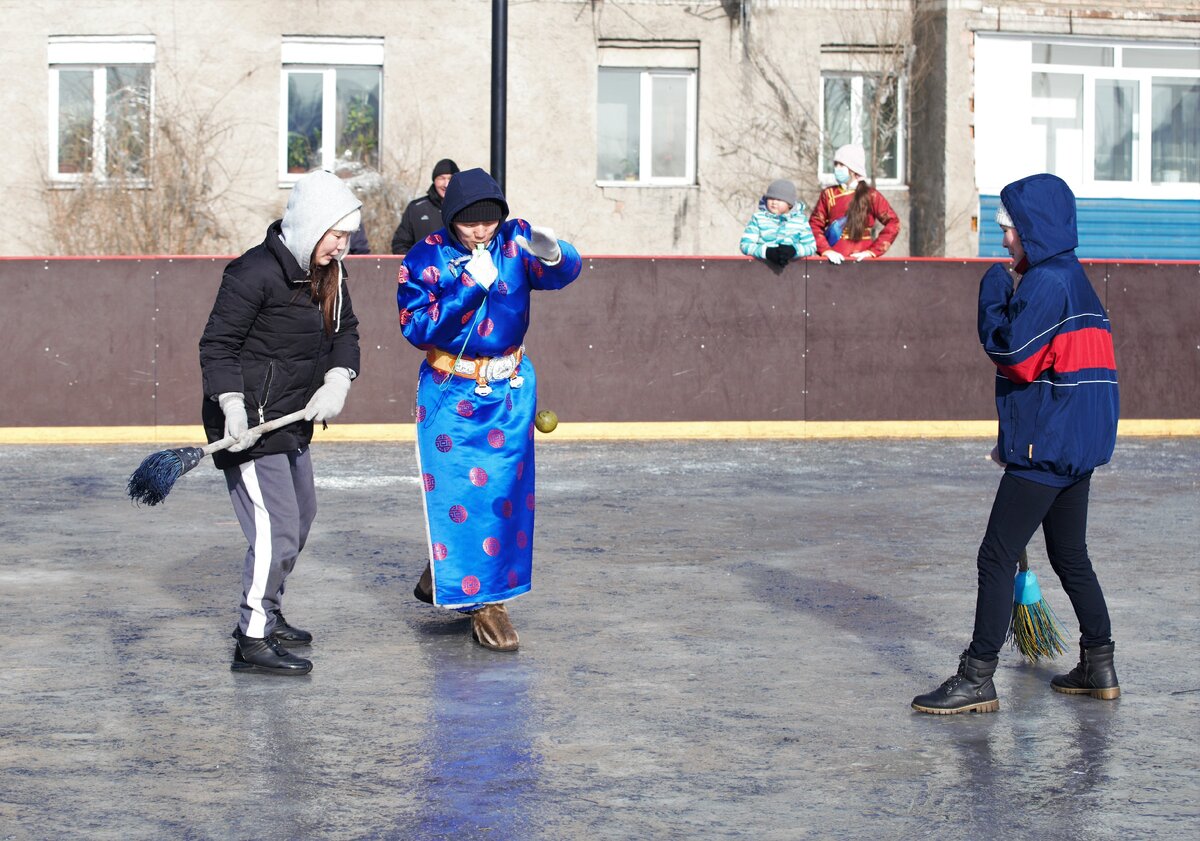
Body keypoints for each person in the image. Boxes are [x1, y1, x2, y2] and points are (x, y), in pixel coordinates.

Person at [911, 173, 1120, 714]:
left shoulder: (1047, 284)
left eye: (1008, 228)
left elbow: (1016, 357)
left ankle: (977, 676)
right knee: (1070, 554)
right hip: (1075, 446)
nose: (1004, 239)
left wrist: (993, 295)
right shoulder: (1075, 279)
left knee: (997, 555)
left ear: (1033, 229)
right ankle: (1099, 663)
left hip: (1046, 449)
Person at [396, 167, 582, 652]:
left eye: (489, 221)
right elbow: (415, 327)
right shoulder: (425, 257)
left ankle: (473, 587)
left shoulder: (514, 239)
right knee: (461, 493)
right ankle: (478, 597)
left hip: (511, 388)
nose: (481, 231)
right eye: (468, 223)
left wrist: (557, 253)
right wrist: (465, 288)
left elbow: (561, 274)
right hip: (450, 393)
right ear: (450, 217)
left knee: (504, 492)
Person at [199, 169, 363, 676]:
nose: (341, 247)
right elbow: (217, 346)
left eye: (347, 238)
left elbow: (346, 332)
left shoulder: (330, 274)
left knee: (302, 517)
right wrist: (231, 406)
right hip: (247, 426)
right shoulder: (252, 273)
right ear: (313, 226)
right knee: (278, 529)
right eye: (337, 235)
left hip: (289, 420)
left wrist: (338, 379)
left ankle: (267, 609)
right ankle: (252, 638)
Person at [809, 143, 900, 264]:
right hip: (833, 262)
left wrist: (872, 252)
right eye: (836, 164)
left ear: (853, 170)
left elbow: (894, 223)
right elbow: (814, 225)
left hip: (862, 262)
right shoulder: (828, 194)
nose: (837, 168)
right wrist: (826, 250)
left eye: (841, 164)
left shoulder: (871, 195)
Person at [739, 179, 817, 268]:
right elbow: (745, 245)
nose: (774, 202)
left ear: (790, 204)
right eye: (771, 198)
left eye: (779, 199)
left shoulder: (800, 220)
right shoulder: (758, 218)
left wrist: (794, 250)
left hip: (793, 270)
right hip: (762, 267)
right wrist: (767, 252)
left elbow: (811, 247)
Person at [391, 158, 459, 254]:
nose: (446, 184)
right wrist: (414, 263)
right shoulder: (416, 208)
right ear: (434, 180)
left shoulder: (466, 208)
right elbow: (400, 244)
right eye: (441, 178)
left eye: (450, 178)